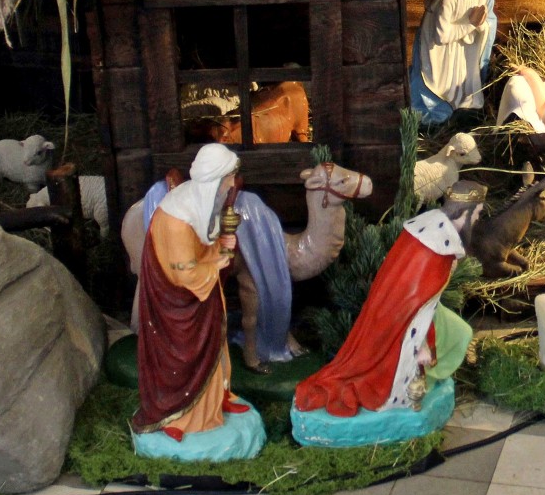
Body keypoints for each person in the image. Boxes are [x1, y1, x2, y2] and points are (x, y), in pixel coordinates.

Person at [131, 144, 260, 455]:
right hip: (178, 306)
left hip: (202, 298)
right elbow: (185, 274)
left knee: (214, 348)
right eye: (228, 179)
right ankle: (180, 416)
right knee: (184, 359)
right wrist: (219, 259)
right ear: (214, 180)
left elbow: (202, 247)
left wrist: (220, 246)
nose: (231, 185)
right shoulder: (177, 221)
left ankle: (217, 400)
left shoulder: (200, 204)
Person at [293, 207, 475, 419]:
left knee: (460, 331)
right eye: (477, 213)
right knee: (456, 333)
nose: (478, 219)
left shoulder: (439, 237)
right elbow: (413, 306)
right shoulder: (431, 243)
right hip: (415, 320)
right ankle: (418, 379)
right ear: (464, 214)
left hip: (430, 309)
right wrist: (421, 345)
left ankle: (430, 374)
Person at [409, 0, 502, 122]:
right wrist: (471, 25)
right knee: (441, 88)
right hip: (441, 53)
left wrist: (481, 26)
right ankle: (438, 116)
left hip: (463, 51)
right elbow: (441, 37)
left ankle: (461, 112)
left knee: (464, 89)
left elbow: (484, 24)